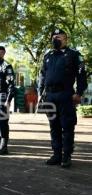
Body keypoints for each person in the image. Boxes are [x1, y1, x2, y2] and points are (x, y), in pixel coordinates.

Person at [38, 29, 87, 168]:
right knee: (54, 126)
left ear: (66, 39)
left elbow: (81, 75)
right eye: (54, 37)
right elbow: (42, 75)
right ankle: (56, 154)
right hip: (50, 96)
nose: (56, 39)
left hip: (66, 95)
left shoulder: (74, 55)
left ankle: (66, 156)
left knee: (67, 126)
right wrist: (41, 93)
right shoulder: (48, 55)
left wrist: (79, 93)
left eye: (59, 37)